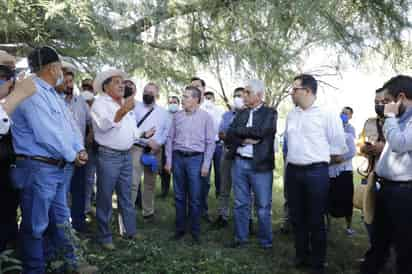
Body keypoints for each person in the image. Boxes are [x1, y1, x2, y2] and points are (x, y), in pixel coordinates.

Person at [11, 46, 96, 273]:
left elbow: (68, 127)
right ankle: (35, 269)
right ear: (52, 67)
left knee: (61, 220)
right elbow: (46, 133)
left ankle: (70, 262)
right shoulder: (31, 92)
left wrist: (79, 149)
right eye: (60, 66)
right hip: (38, 167)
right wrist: (73, 155)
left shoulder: (52, 93)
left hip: (56, 167)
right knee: (35, 225)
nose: (62, 71)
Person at [285, 74, 347, 274]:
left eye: (295, 89)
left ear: (308, 91)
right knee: (297, 217)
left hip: (316, 173)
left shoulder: (327, 114)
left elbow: (338, 150)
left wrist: (317, 162)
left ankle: (317, 262)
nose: (291, 93)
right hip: (293, 171)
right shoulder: (292, 114)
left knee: (315, 219)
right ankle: (301, 255)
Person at [91, 69, 155, 250]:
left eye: (123, 82)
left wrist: (143, 133)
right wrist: (123, 110)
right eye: (117, 82)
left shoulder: (124, 104)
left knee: (126, 196)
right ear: (106, 86)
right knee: (104, 197)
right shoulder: (99, 104)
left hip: (126, 155)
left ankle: (129, 231)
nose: (122, 85)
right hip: (109, 156)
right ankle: (105, 237)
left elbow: (131, 131)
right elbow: (104, 126)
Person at [361, 75, 412, 274]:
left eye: (387, 101)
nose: (383, 106)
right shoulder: (399, 119)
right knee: (379, 239)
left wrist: (390, 117)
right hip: (386, 188)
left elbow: (399, 144)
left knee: (404, 247)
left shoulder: (400, 120)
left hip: (404, 193)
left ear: (400, 97)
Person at [224, 80, 277, 249]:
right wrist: (246, 138)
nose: (243, 95)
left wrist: (241, 134)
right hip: (239, 162)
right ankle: (241, 238)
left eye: (247, 92)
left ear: (259, 95)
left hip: (260, 165)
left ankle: (265, 242)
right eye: (244, 92)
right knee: (240, 203)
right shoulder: (240, 113)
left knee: (262, 206)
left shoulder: (270, 113)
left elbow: (262, 132)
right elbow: (230, 133)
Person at [165, 86, 215, 244]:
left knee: (195, 197)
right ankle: (180, 229)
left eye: (186, 97)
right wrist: (168, 160)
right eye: (183, 96)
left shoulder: (206, 118)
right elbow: (169, 139)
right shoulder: (177, 117)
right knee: (179, 196)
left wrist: (206, 164)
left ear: (195, 99)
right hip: (178, 158)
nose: (183, 100)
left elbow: (210, 143)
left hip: (196, 160)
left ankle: (195, 231)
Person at [0, 51, 37, 252]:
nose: (9, 80)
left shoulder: (11, 102)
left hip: (9, 172)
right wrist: (18, 94)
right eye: (4, 73)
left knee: (8, 215)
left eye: (11, 73)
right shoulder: (11, 101)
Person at [132, 82, 171, 220]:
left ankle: (148, 212)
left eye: (151, 92)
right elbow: (131, 129)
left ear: (157, 95)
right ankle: (128, 213)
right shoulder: (134, 108)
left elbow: (166, 132)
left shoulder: (164, 113)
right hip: (137, 148)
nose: (147, 94)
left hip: (155, 152)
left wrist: (158, 144)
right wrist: (146, 140)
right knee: (133, 182)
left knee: (150, 182)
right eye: (145, 91)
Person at [212, 87, 245, 229]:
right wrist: (237, 137)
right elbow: (221, 134)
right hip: (227, 152)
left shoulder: (249, 114)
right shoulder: (226, 115)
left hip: (242, 155)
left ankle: (245, 219)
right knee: (224, 186)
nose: (238, 98)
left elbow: (249, 135)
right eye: (235, 95)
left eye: (240, 96)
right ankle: (222, 216)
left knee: (243, 189)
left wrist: (232, 136)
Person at [63, 70, 91, 233]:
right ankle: (64, 227)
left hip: (80, 153)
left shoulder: (81, 101)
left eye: (71, 81)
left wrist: (88, 140)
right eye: (66, 82)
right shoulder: (56, 101)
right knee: (63, 192)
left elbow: (90, 122)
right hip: (63, 154)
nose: (69, 85)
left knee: (78, 190)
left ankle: (79, 224)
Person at [328, 109, 357, 235]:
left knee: (346, 199)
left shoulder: (350, 133)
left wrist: (340, 159)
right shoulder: (329, 133)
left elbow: (352, 151)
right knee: (328, 198)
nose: (343, 115)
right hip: (330, 171)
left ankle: (349, 227)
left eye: (346, 113)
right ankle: (327, 225)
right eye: (341, 113)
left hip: (344, 170)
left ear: (350, 116)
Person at [203, 91, 225, 198]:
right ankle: (204, 193)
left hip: (218, 145)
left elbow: (223, 127)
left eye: (210, 98)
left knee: (219, 171)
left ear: (214, 99)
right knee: (205, 170)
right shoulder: (201, 110)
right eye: (206, 98)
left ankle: (219, 192)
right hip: (205, 145)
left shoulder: (220, 111)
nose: (208, 100)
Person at [160, 95, 181, 198]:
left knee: (178, 171)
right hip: (165, 146)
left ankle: (178, 192)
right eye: (171, 102)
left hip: (177, 147)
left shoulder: (182, 115)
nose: (172, 104)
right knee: (165, 170)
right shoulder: (164, 115)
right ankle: (164, 190)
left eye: (175, 102)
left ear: (179, 104)